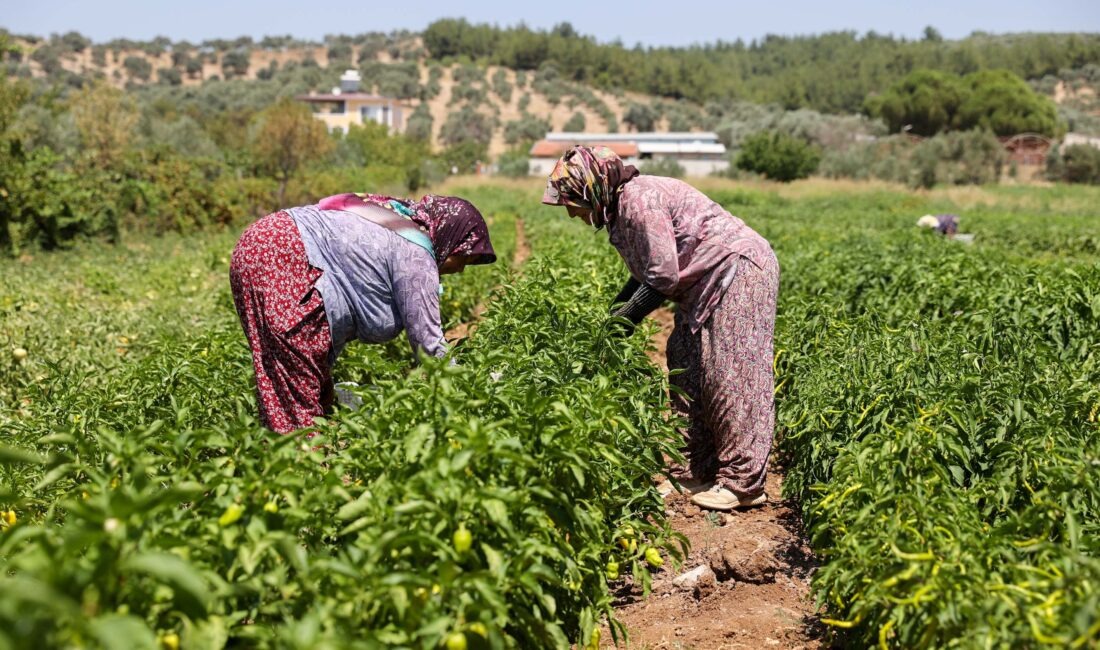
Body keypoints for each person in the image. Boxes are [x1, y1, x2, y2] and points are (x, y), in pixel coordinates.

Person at [542, 146, 780, 511]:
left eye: (572, 201)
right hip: (700, 283)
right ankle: (697, 470)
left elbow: (663, 276)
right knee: (684, 363)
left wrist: (625, 319)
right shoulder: (621, 208)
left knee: (732, 373)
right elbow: (647, 273)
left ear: (592, 189)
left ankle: (743, 483)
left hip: (738, 270)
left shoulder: (639, 200)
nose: (571, 211)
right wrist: (615, 317)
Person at [229, 192, 495, 433]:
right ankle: (304, 473)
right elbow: (428, 344)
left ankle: (281, 459)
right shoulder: (416, 253)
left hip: (261, 243)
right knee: (297, 397)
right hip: (286, 253)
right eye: (462, 257)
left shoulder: (397, 219)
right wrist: (470, 391)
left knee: (291, 375)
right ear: (451, 236)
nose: (460, 269)